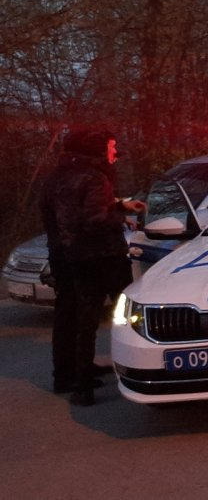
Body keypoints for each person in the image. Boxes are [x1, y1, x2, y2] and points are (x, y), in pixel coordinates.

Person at [40, 129, 146, 406]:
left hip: (71, 256)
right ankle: (139, 366)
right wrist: (120, 219)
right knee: (127, 313)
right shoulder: (96, 177)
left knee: (81, 318)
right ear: (97, 149)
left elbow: (71, 208)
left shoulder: (56, 178)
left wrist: (119, 205)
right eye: (111, 147)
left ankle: (78, 379)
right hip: (104, 256)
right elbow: (94, 218)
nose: (115, 153)